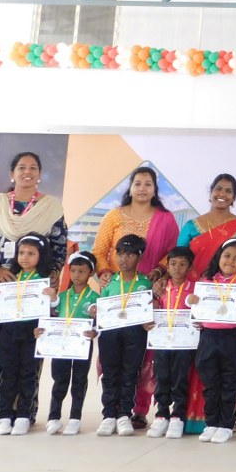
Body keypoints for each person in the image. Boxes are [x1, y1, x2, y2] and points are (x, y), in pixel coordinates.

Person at [0, 152, 67, 429]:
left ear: (39, 174)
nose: (27, 172)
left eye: (33, 168)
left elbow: (59, 249)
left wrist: (49, 279)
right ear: (12, 173)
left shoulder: (51, 207)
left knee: (27, 354)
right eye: (21, 167)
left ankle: (23, 412)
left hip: (33, 293)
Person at [91, 166, 179, 429]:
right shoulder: (113, 216)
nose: (142, 188)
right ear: (130, 187)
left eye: (148, 184)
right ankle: (112, 411)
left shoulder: (166, 219)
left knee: (144, 354)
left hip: (149, 291)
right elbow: (99, 252)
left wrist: (158, 271)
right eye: (137, 183)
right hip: (116, 293)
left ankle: (138, 410)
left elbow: (172, 253)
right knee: (114, 354)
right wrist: (105, 273)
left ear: (155, 189)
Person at [191, 238, 236, 444]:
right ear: (219, 257)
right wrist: (193, 303)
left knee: (230, 383)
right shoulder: (206, 282)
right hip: (208, 337)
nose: (231, 261)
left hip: (234, 337)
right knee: (210, 383)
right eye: (227, 256)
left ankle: (227, 425)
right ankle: (211, 422)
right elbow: (196, 313)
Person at [0, 233, 56, 435]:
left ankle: (23, 416)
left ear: (41, 256)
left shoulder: (44, 279)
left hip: (32, 332)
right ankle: (4, 416)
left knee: (28, 374)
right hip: (9, 331)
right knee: (8, 373)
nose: (25, 257)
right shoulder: (10, 277)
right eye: (21, 252)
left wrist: (53, 298)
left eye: (31, 253)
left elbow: (54, 307)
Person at [96, 235, 153, 437]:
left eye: (129, 255)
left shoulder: (146, 283)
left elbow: (151, 309)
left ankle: (124, 415)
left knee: (130, 374)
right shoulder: (109, 282)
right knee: (110, 374)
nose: (123, 259)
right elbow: (101, 308)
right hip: (109, 334)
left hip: (135, 334)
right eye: (120, 254)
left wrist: (148, 321)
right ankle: (108, 415)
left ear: (139, 257)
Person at [43, 251, 99, 436]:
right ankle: (54, 417)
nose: (76, 275)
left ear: (91, 273)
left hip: (83, 345)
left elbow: (100, 322)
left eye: (81, 271)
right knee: (59, 380)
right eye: (73, 271)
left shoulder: (94, 297)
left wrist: (95, 331)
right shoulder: (63, 296)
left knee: (79, 381)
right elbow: (52, 315)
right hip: (61, 346)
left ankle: (75, 418)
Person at [146, 246, 197, 440]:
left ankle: (178, 416)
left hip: (184, 343)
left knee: (180, 378)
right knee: (162, 377)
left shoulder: (195, 289)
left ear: (190, 268)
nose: (177, 268)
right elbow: (150, 309)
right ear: (167, 266)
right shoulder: (160, 288)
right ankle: (161, 414)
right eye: (173, 264)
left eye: (183, 264)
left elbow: (201, 312)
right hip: (162, 342)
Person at [177, 174, 236, 280]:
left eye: (228, 191)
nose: (222, 194)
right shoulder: (190, 226)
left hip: (229, 286)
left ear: (233, 198)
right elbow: (177, 257)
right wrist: (163, 275)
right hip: (192, 285)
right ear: (211, 193)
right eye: (218, 189)